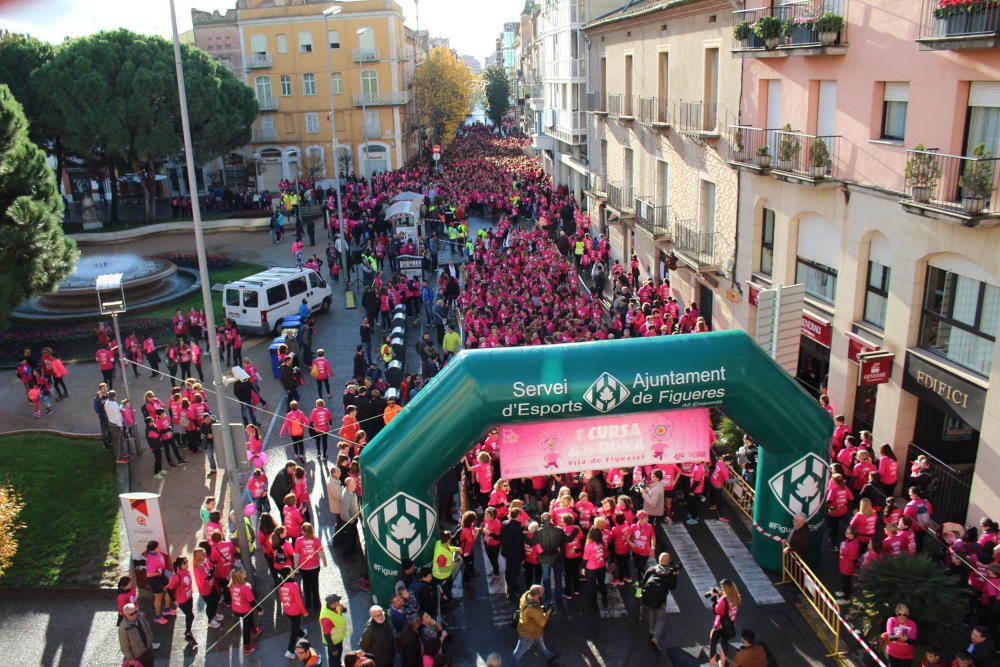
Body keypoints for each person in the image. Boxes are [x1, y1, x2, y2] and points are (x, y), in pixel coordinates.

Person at [640, 552, 679, 652]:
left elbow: (643, 582)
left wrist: (641, 594)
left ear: (659, 560)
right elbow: (673, 587)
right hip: (661, 598)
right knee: (661, 618)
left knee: (652, 611)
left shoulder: (651, 569)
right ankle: (656, 638)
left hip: (650, 596)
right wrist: (675, 576)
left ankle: (651, 630)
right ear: (668, 561)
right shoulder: (670, 573)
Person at [512, 584, 558, 666]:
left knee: (540, 644)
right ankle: (511, 665)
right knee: (518, 652)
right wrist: (548, 612)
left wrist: (543, 607)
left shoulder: (526, 595)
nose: (542, 595)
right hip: (528, 633)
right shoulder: (532, 609)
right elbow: (542, 622)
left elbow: (536, 611)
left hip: (533, 630)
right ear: (536, 595)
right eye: (541, 593)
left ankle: (549, 656)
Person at [707, 579, 741, 666]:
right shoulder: (736, 597)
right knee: (724, 644)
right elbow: (727, 606)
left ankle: (712, 662)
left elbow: (716, 611)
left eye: (722, 587)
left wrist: (714, 600)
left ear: (726, 589)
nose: (721, 589)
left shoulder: (723, 600)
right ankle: (722, 662)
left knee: (713, 643)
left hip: (719, 625)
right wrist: (719, 594)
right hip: (730, 626)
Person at [278, 568, 309, 660]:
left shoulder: (280, 584)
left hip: (287, 610)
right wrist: (304, 611)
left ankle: (302, 633)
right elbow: (298, 600)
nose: (294, 572)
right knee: (294, 630)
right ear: (288, 575)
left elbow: (281, 598)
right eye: (292, 571)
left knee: (295, 625)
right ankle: (290, 650)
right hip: (295, 611)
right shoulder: (294, 585)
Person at [118, 603, 158, 667]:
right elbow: (124, 646)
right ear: (126, 614)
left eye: (135, 611)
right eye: (131, 614)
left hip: (148, 649)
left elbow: (147, 627)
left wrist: (150, 639)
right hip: (137, 655)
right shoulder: (123, 628)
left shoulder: (141, 617)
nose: (135, 615)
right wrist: (131, 659)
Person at [501, 507, 526, 600]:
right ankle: (512, 591)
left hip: (506, 552)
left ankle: (509, 589)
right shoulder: (518, 528)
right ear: (518, 516)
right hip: (515, 554)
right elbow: (518, 545)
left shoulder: (504, 523)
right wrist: (522, 557)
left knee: (508, 570)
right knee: (514, 573)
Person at [883, 603, 917, 667]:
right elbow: (890, 637)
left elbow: (913, 642)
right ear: (896, 613)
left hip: (907, 657)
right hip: (892, 655)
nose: (902, 616)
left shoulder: (912, 624)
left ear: (908, 614)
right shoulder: (891, 620)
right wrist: (896, 636)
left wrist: (906, 639)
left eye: (905, 614)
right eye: (899, 614)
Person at [320, 594, 348, 667]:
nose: (338, 603)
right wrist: (332, 649)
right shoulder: (326, 618)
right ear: (331, 604)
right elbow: (327, 636)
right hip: (333, 642)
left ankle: (338, 664)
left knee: (338, 654)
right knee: (333, 659)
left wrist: (343, 608)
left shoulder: (336, 607)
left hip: (338, 639)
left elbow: (345, 610)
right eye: (336, 602)